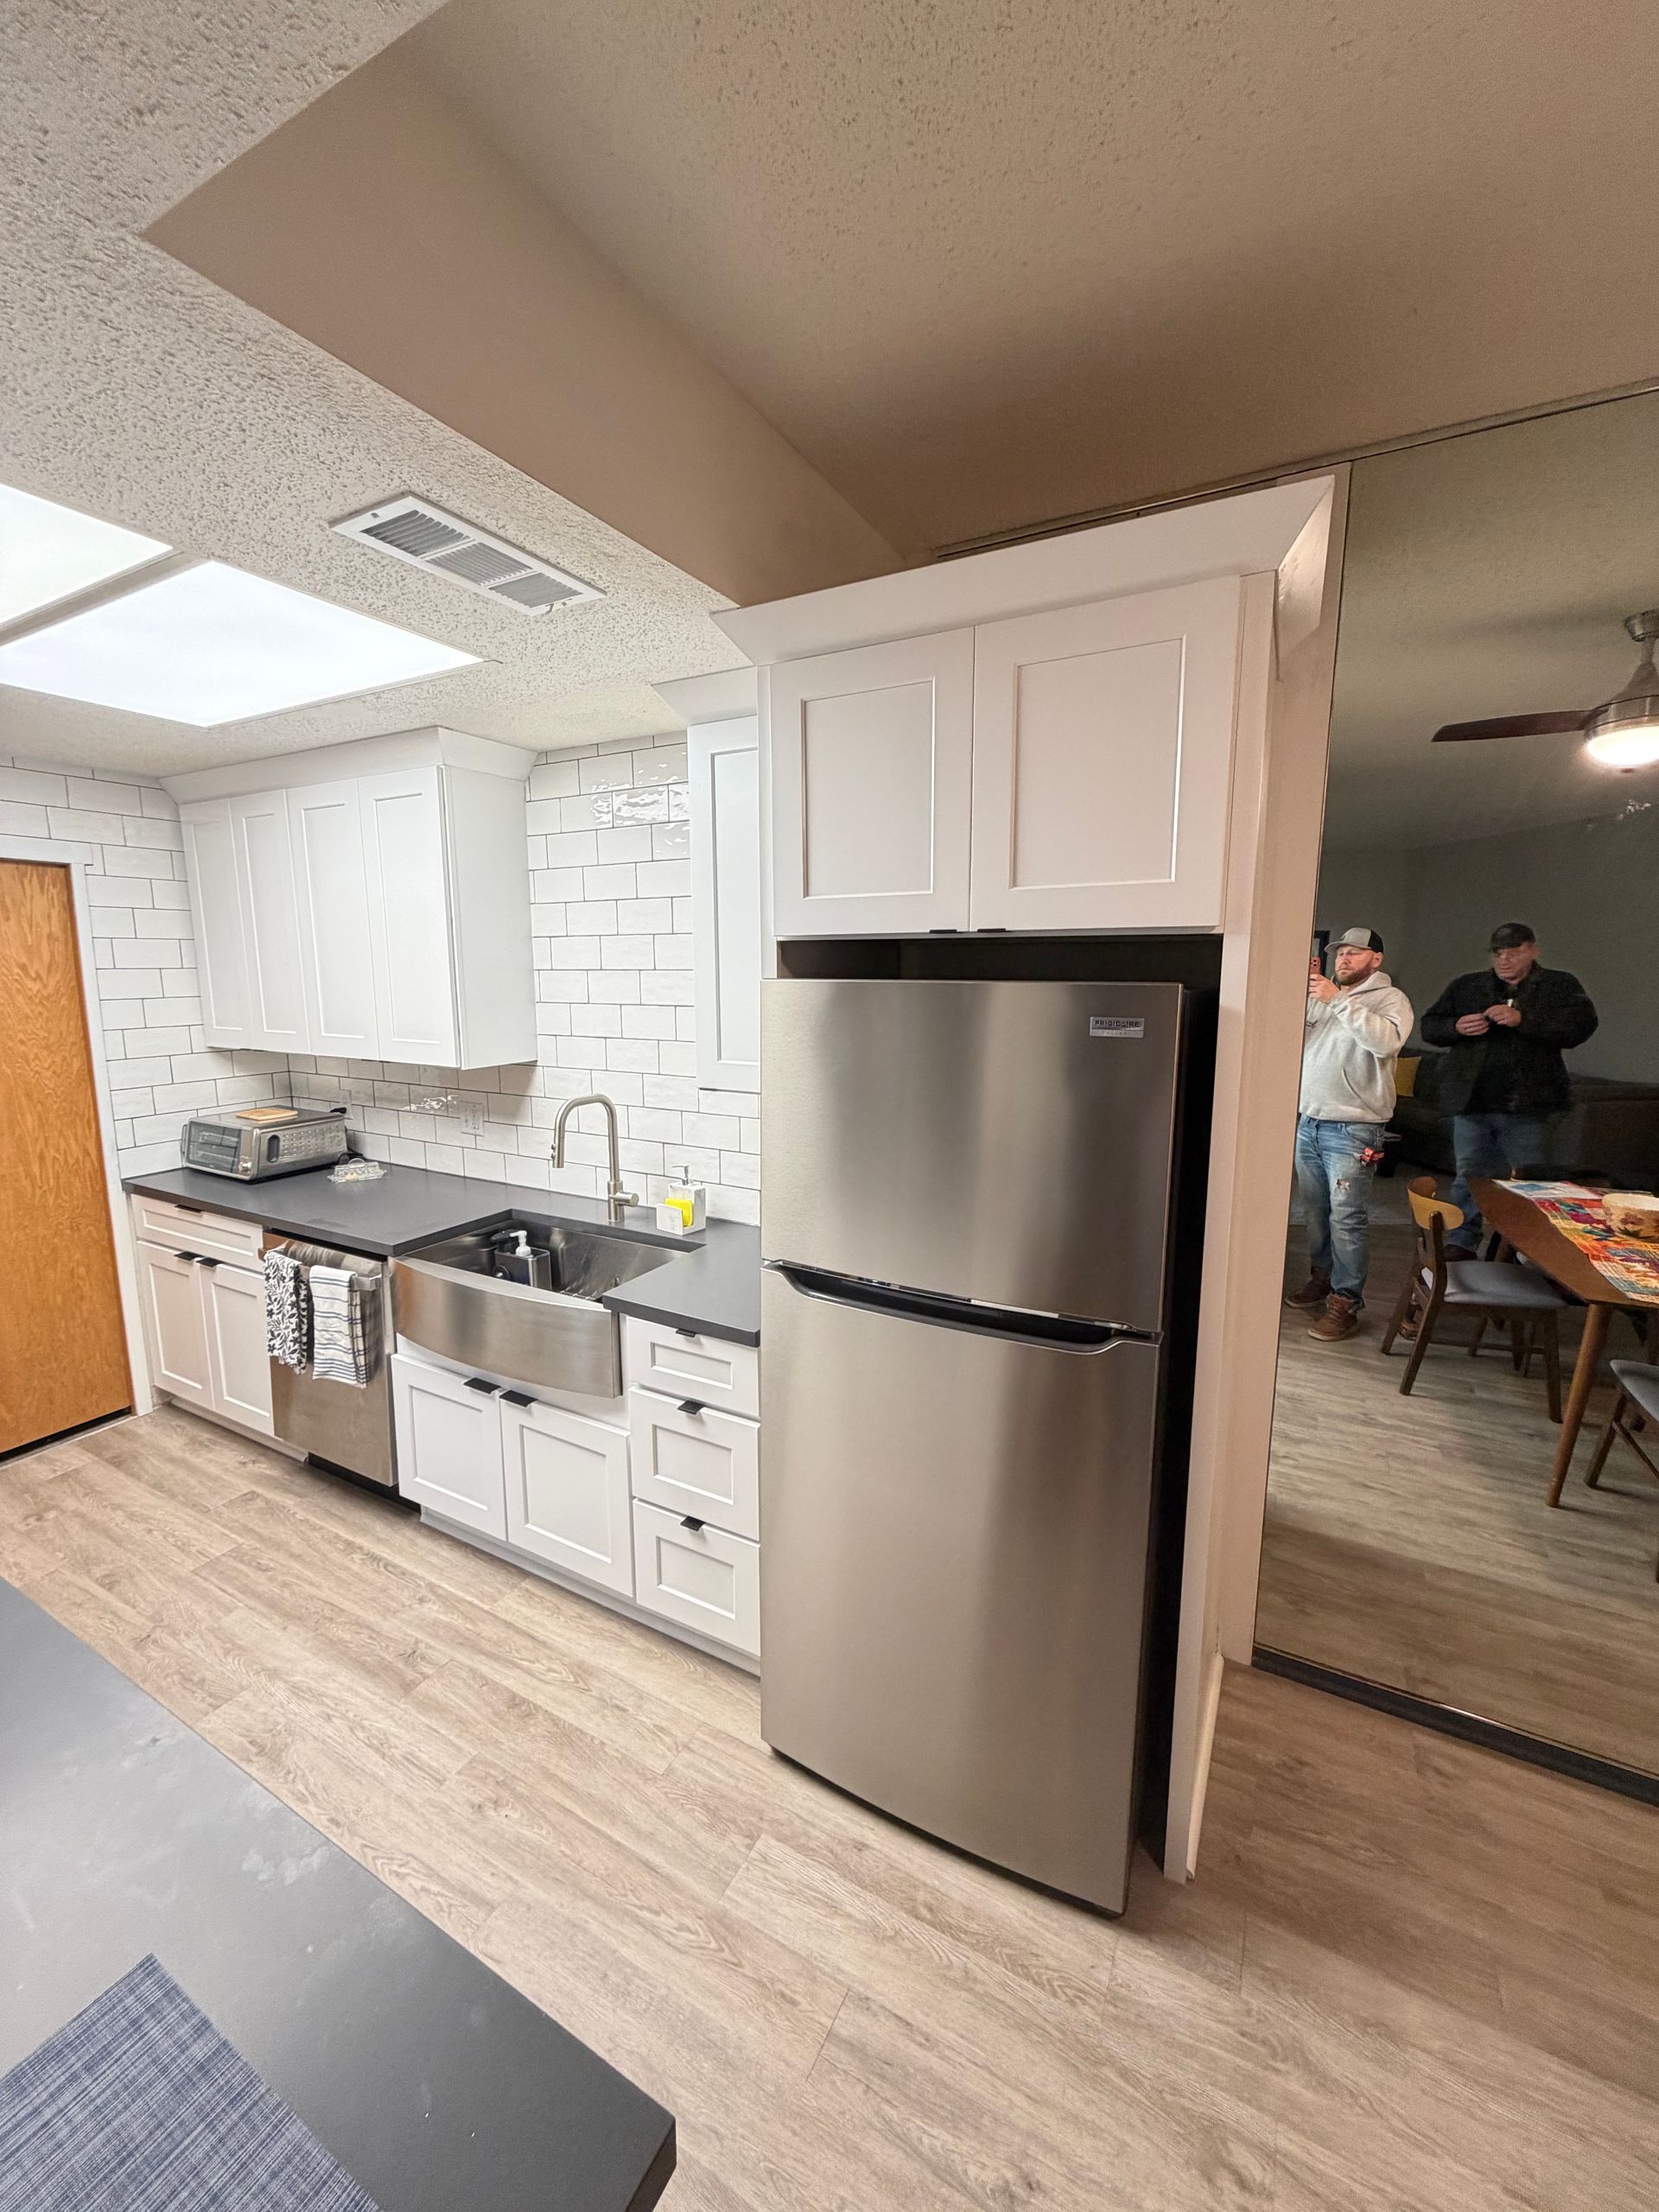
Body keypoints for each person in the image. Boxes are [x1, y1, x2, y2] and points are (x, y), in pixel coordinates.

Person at [1420, 924, 1599, 1257]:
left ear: (1533, 950)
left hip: (1530, 1106)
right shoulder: (1469, 985)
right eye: (1498, 952)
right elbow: (1430, 1025)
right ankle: (1462, 1241)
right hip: (1473, 1102)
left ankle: (1525, 1251)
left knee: (1531, 1183)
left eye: (1514, 952)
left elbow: (1581, 1028)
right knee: (1469, 1176)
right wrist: (1455, 1027)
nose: (1504, 959)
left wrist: (1523, 1020)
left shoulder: (1559, 986)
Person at [1287, 927, 1414, 1343]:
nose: (1343, 959)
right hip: (1309, 1121)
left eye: (1354, 953)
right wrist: (1300, 997)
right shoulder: (1322, 997)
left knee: (1347, 1218)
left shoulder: (1390, 1000)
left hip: (1355, 1128)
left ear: (1375, 959)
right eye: (1339, 953)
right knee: (1315, 1211)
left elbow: (1385, 1044)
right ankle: (1322, 1278)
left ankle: (1346, 1302)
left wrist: (1336, 1000)